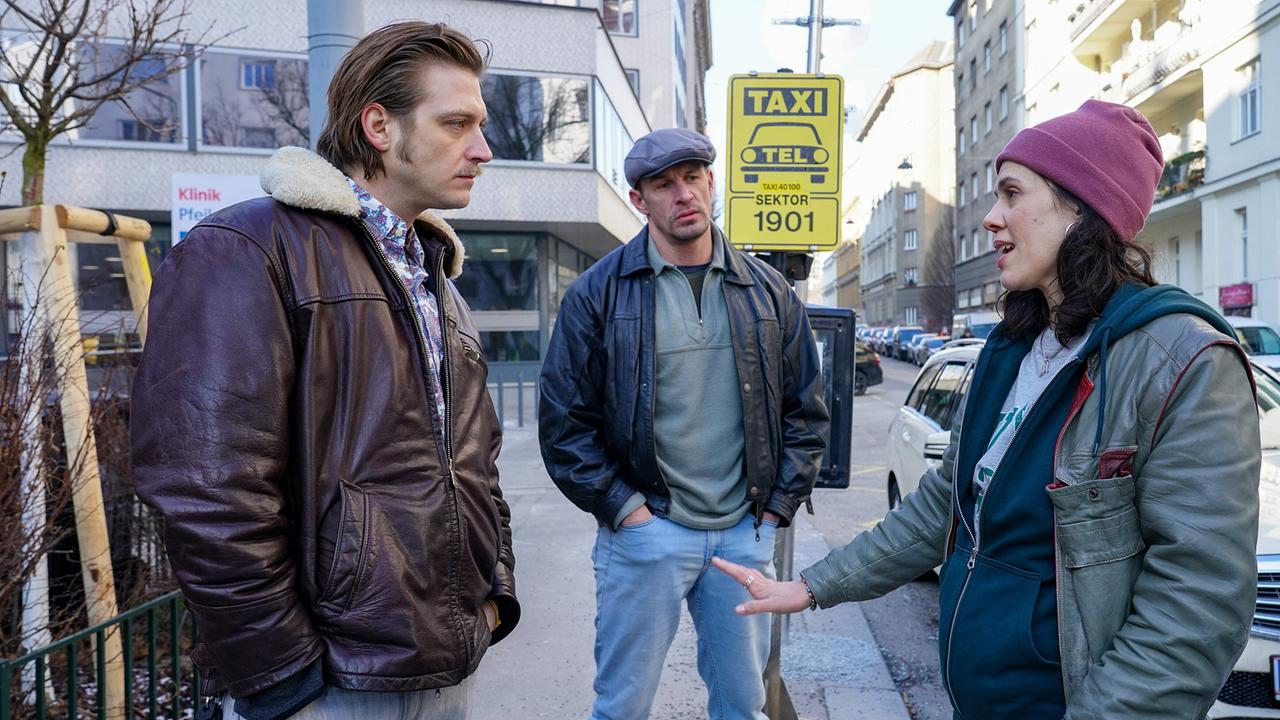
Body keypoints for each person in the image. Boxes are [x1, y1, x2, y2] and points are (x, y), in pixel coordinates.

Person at [714, 99, 1261, 719]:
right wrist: (813, 586)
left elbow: (1197, 603)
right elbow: (945, 505)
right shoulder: (1011, 350)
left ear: (1081, 210)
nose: (989, 218)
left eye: (1010, 193)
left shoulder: (1183, 360)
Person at [132, 21, 519, 720]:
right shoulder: (248, 248)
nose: (482, 150)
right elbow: (204, 485)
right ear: (379, 125)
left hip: (445, 662)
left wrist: (494, 594)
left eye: (480, 125)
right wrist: (280, 674)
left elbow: (475, 461)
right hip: (329, 684)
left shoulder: (438, 279)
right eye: (456, 123)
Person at [538, 128, 828, 720]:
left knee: (742, 705)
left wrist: (774, 511)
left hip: (742, 535)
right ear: (639, 200)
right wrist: (626, 510)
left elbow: (807, 412)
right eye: (664, 184)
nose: (684, 194)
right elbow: (565, 423)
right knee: (622, 707)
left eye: (693, 177)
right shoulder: (597, 294)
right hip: (647, 534)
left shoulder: (768, 292)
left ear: (712, 182)